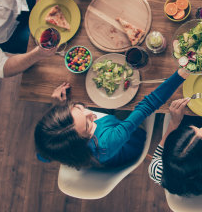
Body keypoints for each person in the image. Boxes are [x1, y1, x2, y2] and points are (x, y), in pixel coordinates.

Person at [35, 69, 188, 169]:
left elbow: (42, 156)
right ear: (81, 142)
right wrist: (181, 75)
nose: (92, 114)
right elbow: (148, 104)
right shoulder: (108, 141)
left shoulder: (49, 146)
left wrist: (58, 107)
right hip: (133, 142)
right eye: (88, 125)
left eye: (77, 108)